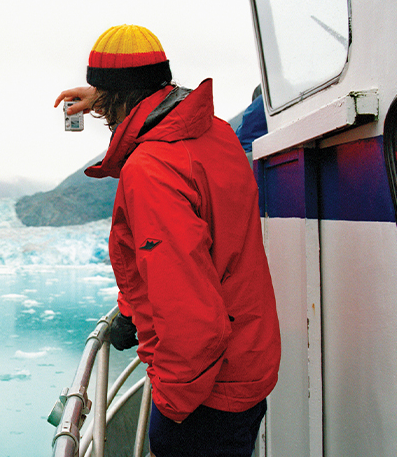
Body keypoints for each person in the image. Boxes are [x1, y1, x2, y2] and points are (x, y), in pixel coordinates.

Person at [55, 25, 281, 457]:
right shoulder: (213, 135)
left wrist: (173, 406)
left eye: (105, 109)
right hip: (249, 360)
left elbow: (188, 311)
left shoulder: (152, 168)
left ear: (117, 100)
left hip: (205, 394)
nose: (105, 121)